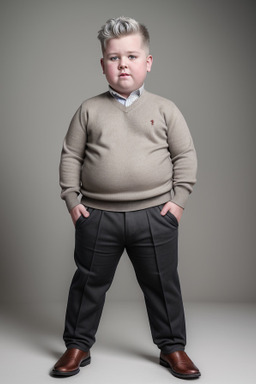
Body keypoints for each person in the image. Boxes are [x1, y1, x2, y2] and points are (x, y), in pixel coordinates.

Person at [51, 16, 200, 380]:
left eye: (132, 56)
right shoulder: (89, 109)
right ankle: (77, 345)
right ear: (103, 64)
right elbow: (70, 155)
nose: (123, 65)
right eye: (114, 58)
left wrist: (178, 202)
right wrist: (73, 202)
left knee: (163, 284)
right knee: (88, 283)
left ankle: (173, 348)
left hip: (154, 214)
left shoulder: (166, 109)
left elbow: (185, 155)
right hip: (97, 216)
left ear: (147, 62)